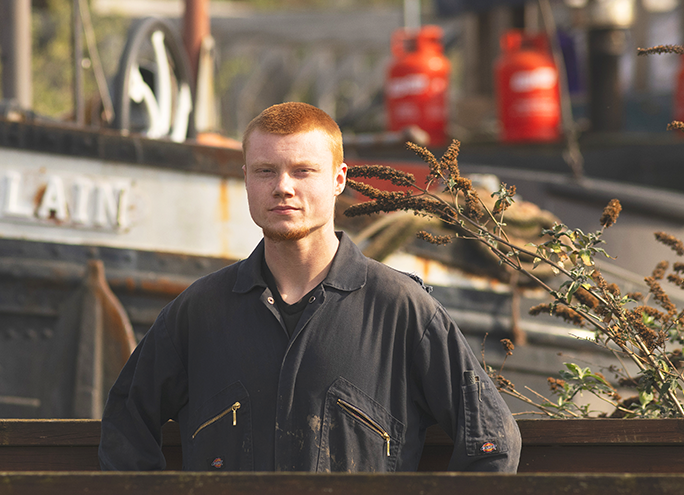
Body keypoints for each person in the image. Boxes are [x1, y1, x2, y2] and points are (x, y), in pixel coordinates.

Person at [99, 102, 521, 472]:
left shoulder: (400, 311)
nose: (283, 186)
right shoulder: (199, 312)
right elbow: (125, 425)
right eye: (265, 171)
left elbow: (492, 441)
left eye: (303, 171)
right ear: (245, 178)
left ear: (338, 179)